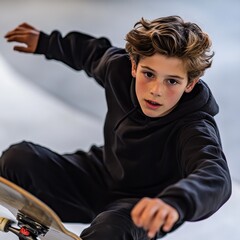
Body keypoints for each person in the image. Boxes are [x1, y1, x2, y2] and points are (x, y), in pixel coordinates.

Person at [1, 16, 231, 240]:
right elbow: (91, 53)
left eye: (172, 81)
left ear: (190, 84)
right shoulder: (117, 70)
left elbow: (215, 174)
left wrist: (175, 202)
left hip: (143, 206)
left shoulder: (194, 125)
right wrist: (45, 43)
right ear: (134, 66)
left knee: (109, 231)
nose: (156, 90)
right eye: (148, 74)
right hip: (97, 175)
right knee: (17, 159)